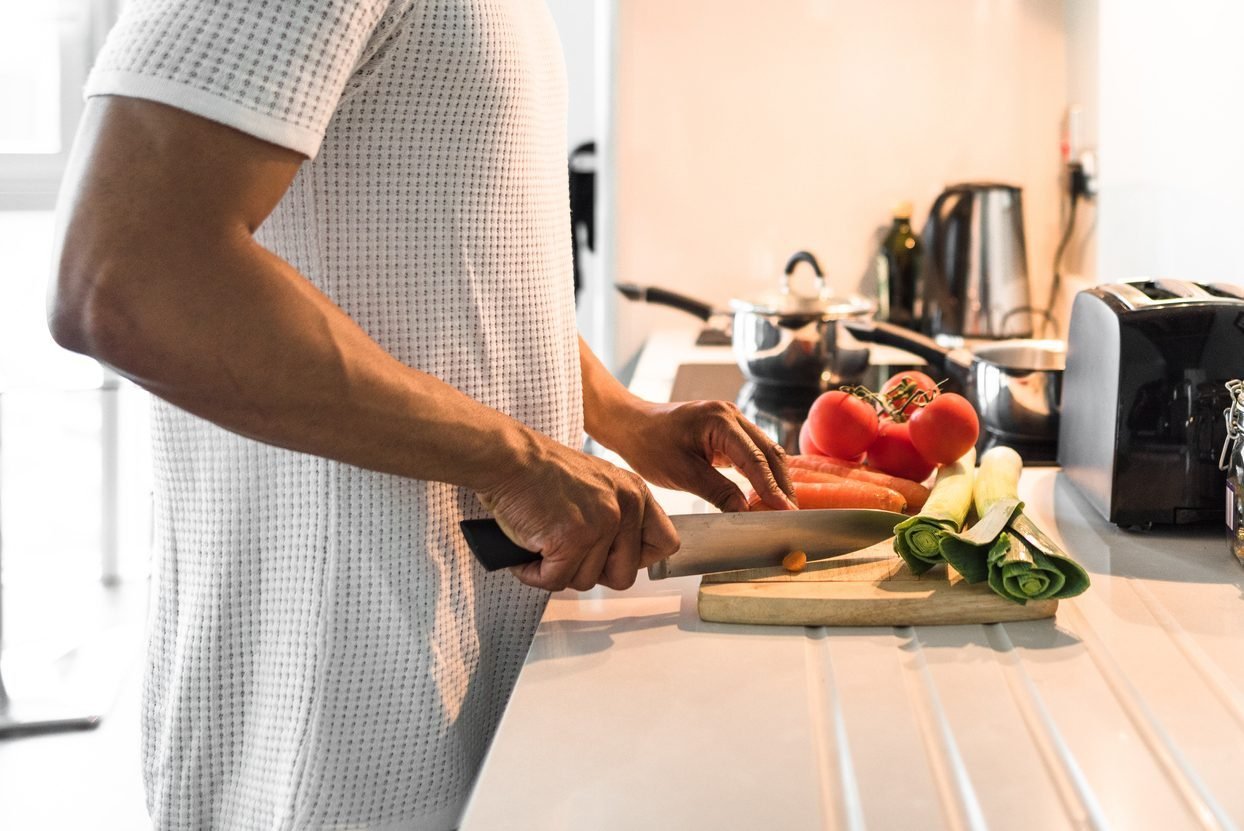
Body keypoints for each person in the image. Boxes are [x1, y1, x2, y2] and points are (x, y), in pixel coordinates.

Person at [48, 1, 796, 828]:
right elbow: (126, 274)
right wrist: (517, 459)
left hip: (465, 680)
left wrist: (621, 414)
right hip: (331, 728)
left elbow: (451, 253)